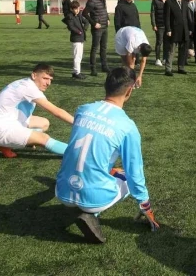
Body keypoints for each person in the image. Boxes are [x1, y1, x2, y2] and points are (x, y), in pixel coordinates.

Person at [55, 67, 159, 244]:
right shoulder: (128, 127)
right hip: (93, 199)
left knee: (110, 168)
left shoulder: (83, 109)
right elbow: (135, 173)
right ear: (129, 90)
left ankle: (85, 205)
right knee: (126, 176)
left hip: (62, 190)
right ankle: (92, 213)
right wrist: (145, 206)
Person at [0, 63, 73, 158]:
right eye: (45, 78)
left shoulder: (25, 82)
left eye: (50, 80)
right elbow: (56, 112)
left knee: (44, 123)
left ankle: (6, 144)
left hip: (1, 122)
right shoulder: (29, 88)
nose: (48, 83)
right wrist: (79, 123)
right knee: (43, 138)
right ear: (34, 75)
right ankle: (79, 153)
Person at [83, 0, 111, 76]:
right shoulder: (92, 1)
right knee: (95, 48)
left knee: (104, 47)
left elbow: (104, 10)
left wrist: (108, 18)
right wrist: (94, 23)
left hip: (104, 26)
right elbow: (84, 13)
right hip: (97, 28)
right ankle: (93, 68)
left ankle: (104, 66)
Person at [163, 0, 190, 76]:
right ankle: (168, 69)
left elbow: (187, 17)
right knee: (171, 50)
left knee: (183, 50)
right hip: (173, 31)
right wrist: (168, 29)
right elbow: (166, 18)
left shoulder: (185, 3)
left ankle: (181, 67)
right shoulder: (169, 2)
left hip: (184, 31)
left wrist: (189, 29)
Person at [66, 0, 89, 80]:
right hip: (76, 38)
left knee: (79, 56)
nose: (77, 10)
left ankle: (76, 71)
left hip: (81, 38)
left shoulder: (79, 15)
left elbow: (86, 21)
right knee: (77, 56)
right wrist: (79, 32)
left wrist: (84, 29)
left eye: (78, 8)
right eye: (75, 9)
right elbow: (71, 26)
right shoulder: (70, 16)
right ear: (71, 9)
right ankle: (76, 72)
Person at [150, 0, 169, 67]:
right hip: (159, 25)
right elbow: (152, 13)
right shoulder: (155, 1)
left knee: (166, 42)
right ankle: (157, 59)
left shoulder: (169, 1)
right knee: (159, 42)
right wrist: (154, 24)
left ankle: (164, 58)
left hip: (168, 26)